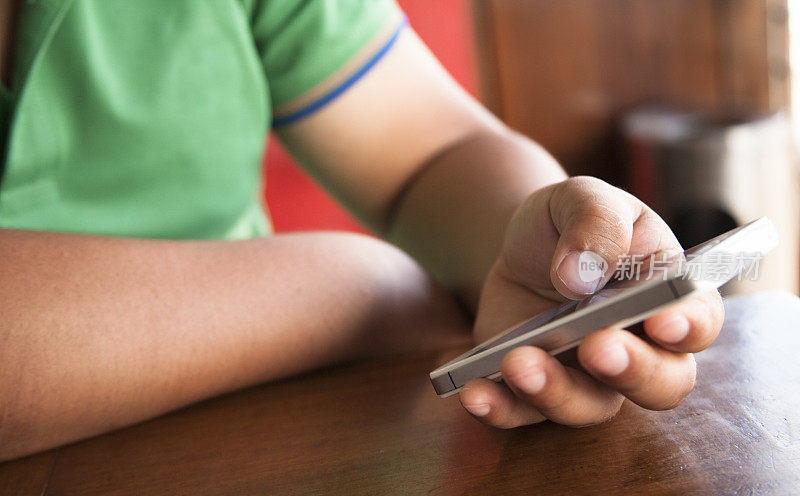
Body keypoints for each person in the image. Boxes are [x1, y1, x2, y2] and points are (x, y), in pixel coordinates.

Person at [0, 0, 723, 461]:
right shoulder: (359, 295)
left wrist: (528, 233)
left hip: (264, 445)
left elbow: (427, 156)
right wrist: (353, 290)